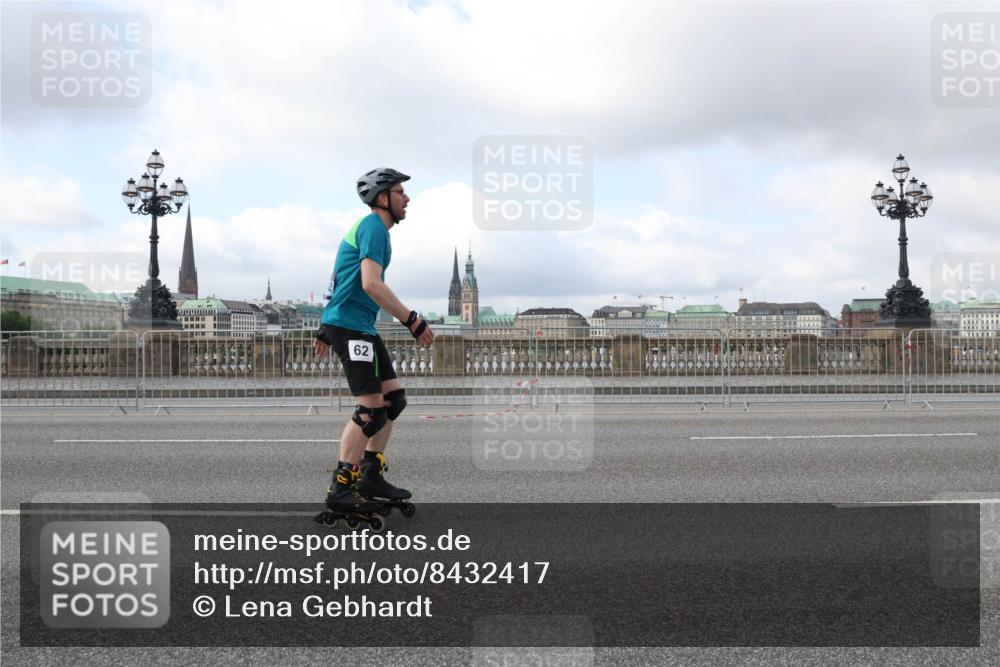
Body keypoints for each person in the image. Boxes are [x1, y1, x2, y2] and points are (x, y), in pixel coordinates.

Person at [313, 167, 435, 515]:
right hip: (351, 328)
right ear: (383, 198)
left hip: (357, 326)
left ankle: (370, 474)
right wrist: (412, 319)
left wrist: (324, 326)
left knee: (392, 399)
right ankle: (341, 488)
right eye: (400, 192)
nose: (407, 198)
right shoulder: (374, 228)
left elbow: (340, 277)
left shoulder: (372, 230)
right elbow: (370, 284)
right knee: (370, 412)